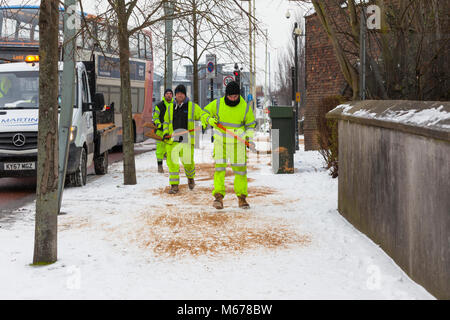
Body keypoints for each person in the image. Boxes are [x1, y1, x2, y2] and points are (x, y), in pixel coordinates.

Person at [201, 81, 256, 209]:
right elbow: (204, 112)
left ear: (239, 95)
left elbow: (250, 125)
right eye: (230, 96)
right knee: (219, 169)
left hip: (238, 144)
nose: (233, 99)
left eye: (235, 96)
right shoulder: (218, 104)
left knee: (241, 171)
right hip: (221, 143)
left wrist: (249, 139)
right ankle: (218, 197)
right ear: (226, 95)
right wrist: (209, 120)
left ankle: (242, 198)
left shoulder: (245, 107)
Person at [162, 84, 207, 194]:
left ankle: (190, 178)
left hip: (186, 140)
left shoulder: (192, 107)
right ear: (175, 95)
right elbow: (166, 123)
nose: (179, 95)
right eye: (177, 93)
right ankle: (174, 186)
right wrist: (165, 132)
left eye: (182, 93)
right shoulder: (170, 108)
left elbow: (202, 115)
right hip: (173, 140)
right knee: (172, 163)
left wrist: (205, 122)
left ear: (185, 95)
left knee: (188, 162)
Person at [152, 89, 173, 173]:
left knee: (171, 149)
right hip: (160, 131)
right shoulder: (159, 106)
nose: (168, 95)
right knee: (160, 149)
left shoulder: (175, 105)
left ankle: (172, 167)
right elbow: (155, 117)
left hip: (171, 131)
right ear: (164, 95)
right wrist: (158, 124)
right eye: (167, 94)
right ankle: (160, 166)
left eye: (170, 94)